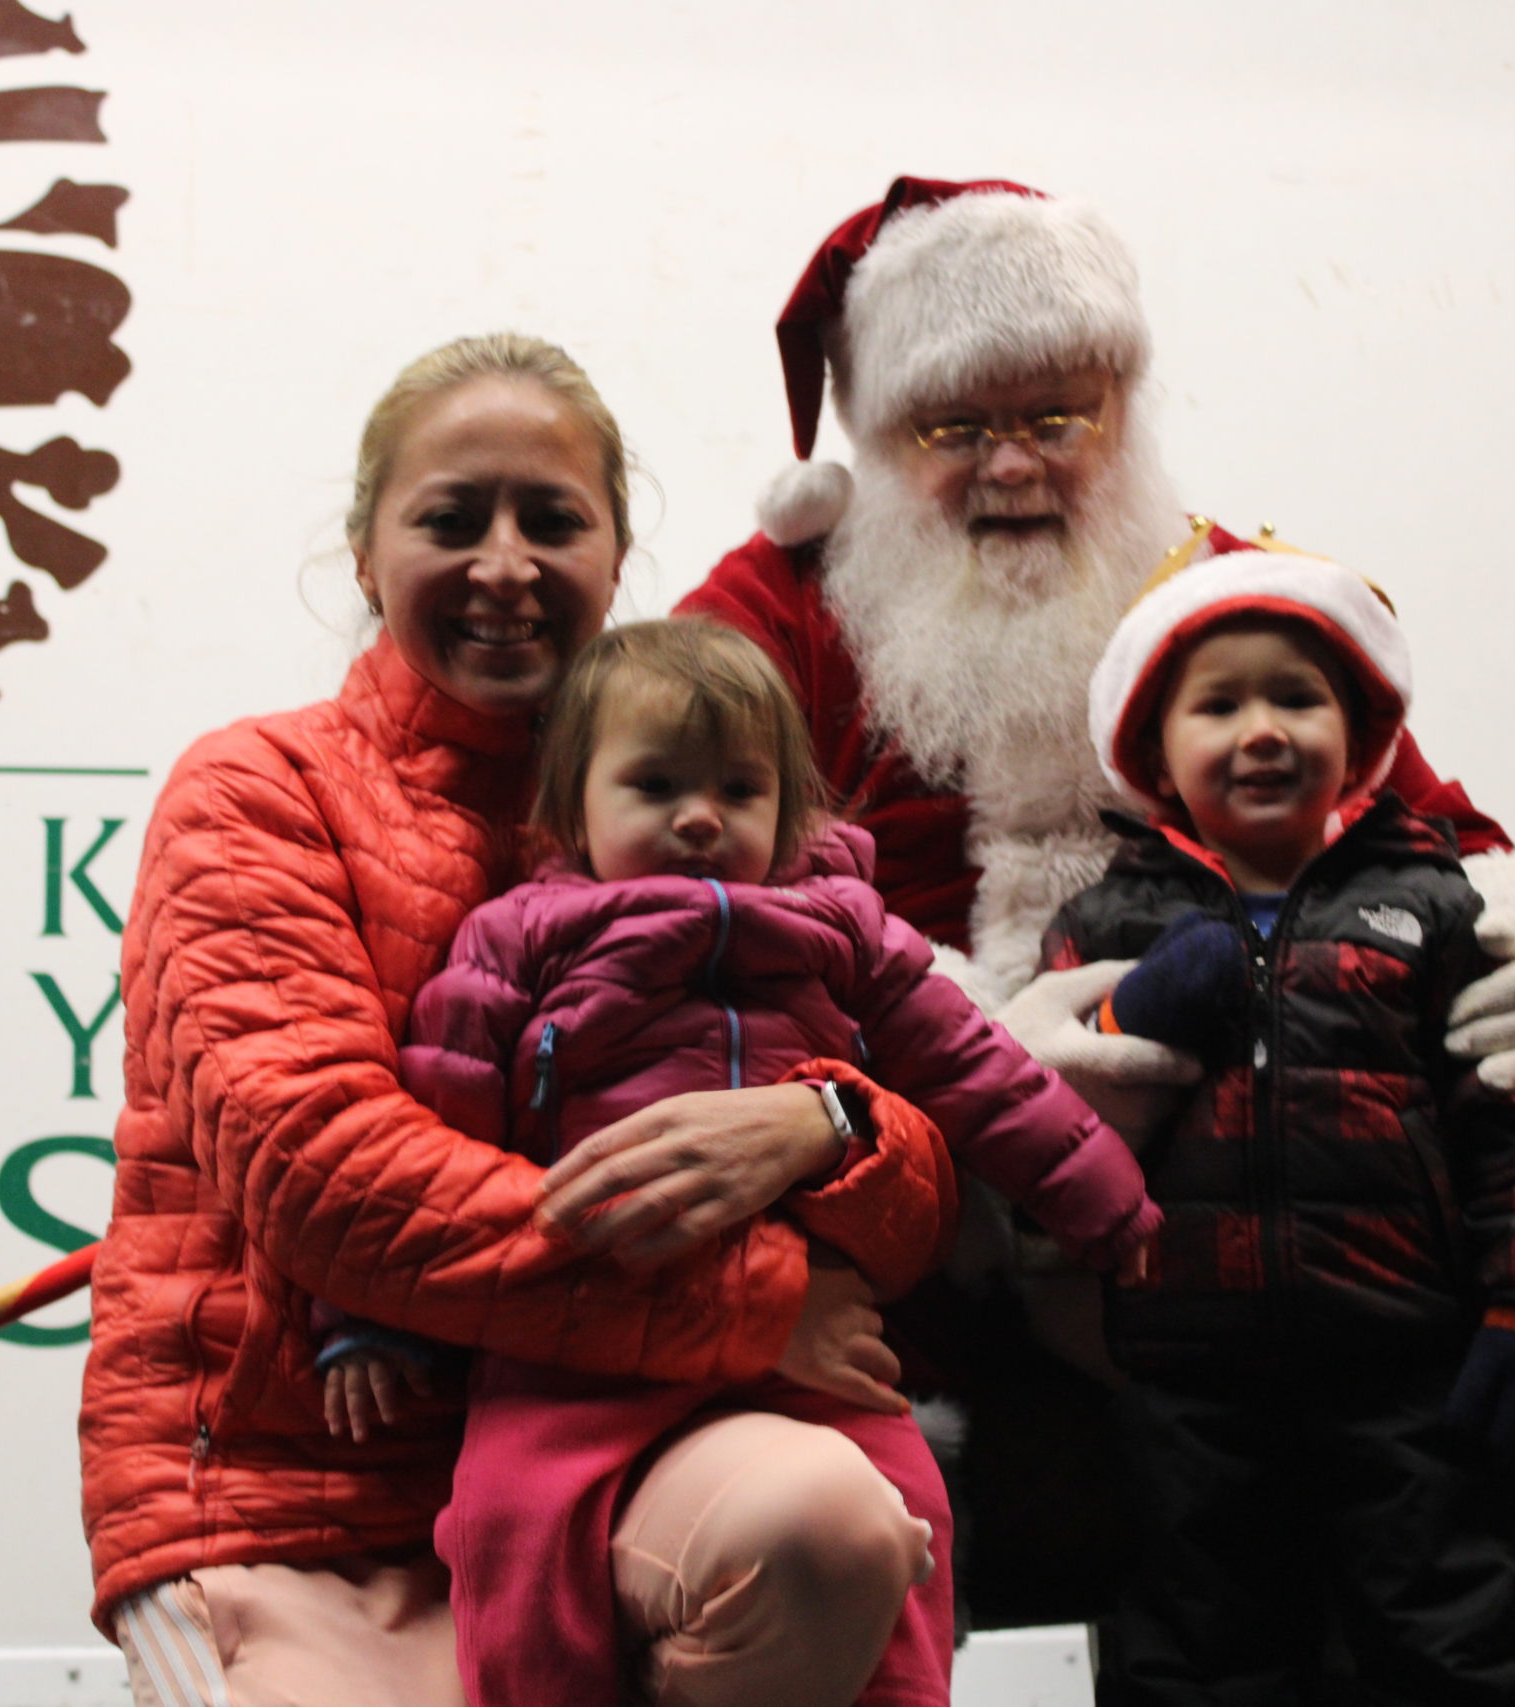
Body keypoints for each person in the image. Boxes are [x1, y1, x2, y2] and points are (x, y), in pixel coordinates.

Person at [676, 176, 1515, 1620]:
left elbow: (1443, 841)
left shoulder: (1234, 596)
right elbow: (660, 896)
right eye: (953, 429)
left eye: (1059, 414)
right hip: (900, 1223)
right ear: (874, 441)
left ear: (1123, 410)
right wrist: (963, 1049)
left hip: (1250, 1248)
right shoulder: (777, 609)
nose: (1013, 465)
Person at [80, 333, 973, 1707]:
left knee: (829, 1521)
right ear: (367, 553)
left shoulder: (714, 818)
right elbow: (331, 1180)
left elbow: (917, 1163)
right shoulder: (255, 789)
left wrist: (829, 1123)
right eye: (452, 518)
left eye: (552, 520)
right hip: (298, 1498)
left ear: (617, 558)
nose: (506, 563)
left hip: (627, 1452)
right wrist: (747, 1305)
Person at [316, 618, 1162, 1707]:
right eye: (656, 784)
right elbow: (434, 1125)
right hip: (572, 1348)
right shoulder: (517, 938)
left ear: (788, 807)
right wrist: (365, 1321)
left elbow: (978, 1071)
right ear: (572, 806)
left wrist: (1108, 1207)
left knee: (903, 1512)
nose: (701, 816)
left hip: (806, 1343)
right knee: (513, 1533)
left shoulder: (842, 929)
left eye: (739, 789)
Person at [1050, 543, 1515, 1703]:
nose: (1262, 728)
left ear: (1360, 742)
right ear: (1155, 750)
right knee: (1203, 1651)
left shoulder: (1437, 906)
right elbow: (1052, 1112)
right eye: (1220, 704)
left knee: (1452, 1633)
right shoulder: (1110, 918)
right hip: (1186, 1374)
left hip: (1403, 1362)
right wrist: (1124, 1005)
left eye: (1296, 697)